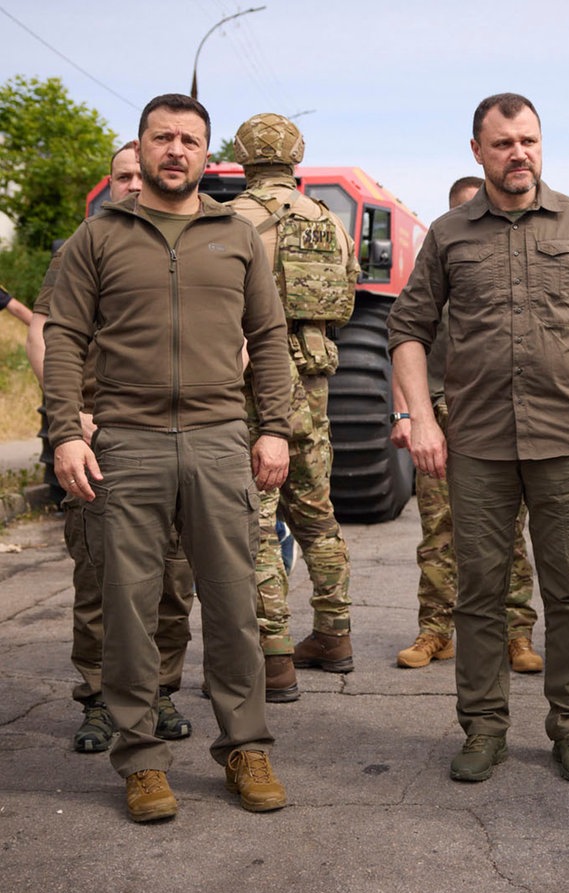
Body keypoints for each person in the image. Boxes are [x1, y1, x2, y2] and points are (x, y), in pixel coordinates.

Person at [388, 93, 569, 784]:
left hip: (567, 439)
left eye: (529, 140)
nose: (519, 154)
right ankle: (482, 728)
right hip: (476, 443)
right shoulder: (449, 234)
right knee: (477, 592)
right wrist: (420, 415)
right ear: (478, 150)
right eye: (504, 143)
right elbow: (408, 330)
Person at [43, 94, 291, 823]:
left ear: (207, 155)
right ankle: (142, 759)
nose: (175, 150)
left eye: (190, 139)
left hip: (219, 439)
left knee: (234, 606)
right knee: (128, 609)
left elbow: (269, 338)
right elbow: (63, 339)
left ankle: (245, 746)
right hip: (127, 440)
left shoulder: (236, 235)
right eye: (162, 138)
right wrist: (65, 432)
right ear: (142, 148)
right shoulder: (98, 237)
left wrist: (273, 427)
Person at [25, 143, 195, 753]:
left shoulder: (190, 238)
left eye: (135, 175)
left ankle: (161, 691)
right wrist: (72, 419)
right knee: (100, 578)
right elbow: (46, 333)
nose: (130, 184)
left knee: (174, 578)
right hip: (98, 434)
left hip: (176, 437)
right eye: (120, 175)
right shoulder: (85, 242)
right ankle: (99, 700)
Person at [228, 113, 359, 696]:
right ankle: (334, 636)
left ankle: (273, 656)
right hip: (313, 382)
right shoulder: (328, 220)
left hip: (249, 378)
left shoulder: (228, 219)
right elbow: (347, 300)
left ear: (242, 155)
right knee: (316, 512)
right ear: (296, 155)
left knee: (256, 520)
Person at [392, 176, 542, 673]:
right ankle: (436, 630)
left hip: (498, 415)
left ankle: (516, 633)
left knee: (509, 532)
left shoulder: (517, 272)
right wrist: (406, 415)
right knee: (438, 530)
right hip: (438, 413)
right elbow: (404, 337)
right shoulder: (439, 254)